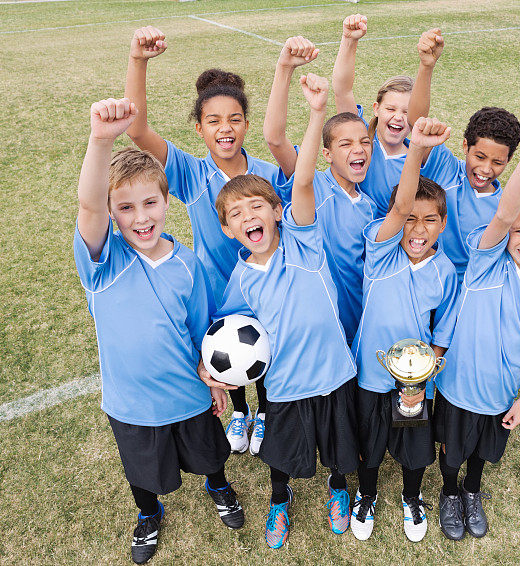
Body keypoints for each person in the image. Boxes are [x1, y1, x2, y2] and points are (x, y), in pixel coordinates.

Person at [74, 98, 243, 564]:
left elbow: (198, 333)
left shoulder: (188, 265)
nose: (141, 217)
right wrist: (101, 139)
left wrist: (210, 375)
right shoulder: (103, 265)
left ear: (167, 201)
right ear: (110, 213)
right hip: (131, 403)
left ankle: (219, 486)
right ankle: (148, 513)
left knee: (210, 455)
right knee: (142, 472)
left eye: (150, 202)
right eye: (125, 208)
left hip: (188, 396)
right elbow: (88, 201)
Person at [124, 26, 289, 455]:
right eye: (213, 121)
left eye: (234, 119)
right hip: (218, 292)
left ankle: (267, 414)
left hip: (269, 288)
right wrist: (139, 61)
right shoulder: (192, 174)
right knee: (229, 352)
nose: (225, 129)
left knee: (267, 354)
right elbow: (137, 129)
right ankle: (240, 411)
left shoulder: (270, 176)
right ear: (199, 128)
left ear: (246, 124)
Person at [212, 74, 359, 549]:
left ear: (277, 211)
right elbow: (225, 334)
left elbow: (304, 178)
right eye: (236, 215)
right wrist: (212, 370)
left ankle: (340, 491)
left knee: (339, 448)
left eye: (257, 206)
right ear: (230, 231)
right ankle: (280, 499)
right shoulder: (241, 277)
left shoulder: (305, 239)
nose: (248, 217)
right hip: (284, 385)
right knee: (281, 451)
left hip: (334, 373)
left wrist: (317, 114)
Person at [433, 122, 520, 541]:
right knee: (452, 451)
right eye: (519, 231)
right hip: (458, 387)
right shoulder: (484, 263)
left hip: (500, 395)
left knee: (482, 453)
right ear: (505, 230)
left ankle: (471, 490)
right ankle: (450, 492)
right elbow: (506, 212)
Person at [349, 117, 459, 542]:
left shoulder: (445, 270)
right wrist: (417, 151)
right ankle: (367, 494)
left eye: (429, 220)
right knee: (369, 443)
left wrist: (431, 367)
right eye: (410, 218)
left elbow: (443, 328)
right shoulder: (381, 251)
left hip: (415, 380)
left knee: (415, 446)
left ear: (443, 225)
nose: (417, 229)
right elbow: (398, 208)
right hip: (371, 375)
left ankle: (412, 498)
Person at [264, 36, 377, 344]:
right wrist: (284, 68)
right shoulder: (311, 184)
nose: (359, 149)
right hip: (318, 329)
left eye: (365, 142)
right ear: (327, 154)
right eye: (346, 143)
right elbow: (275, 138)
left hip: (360, 322)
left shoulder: (369, 207)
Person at [407, 34, 520, 280]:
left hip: (474, 293)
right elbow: (416, 122)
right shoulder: (446, 168)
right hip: (431, 282)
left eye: (497, 162)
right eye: (479, 156)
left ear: (508, 161)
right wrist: (426, 66)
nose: (486, 168)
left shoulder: (505, 204)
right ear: (465, 146)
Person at [332, 14, 444, 216]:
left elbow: (418, 121)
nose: (398, 117)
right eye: (390, 109)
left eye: (406, 112)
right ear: (376, 108)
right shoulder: (361, 140)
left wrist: (427, 66)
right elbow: (342, 90)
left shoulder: (419, 155)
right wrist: (349, 40)